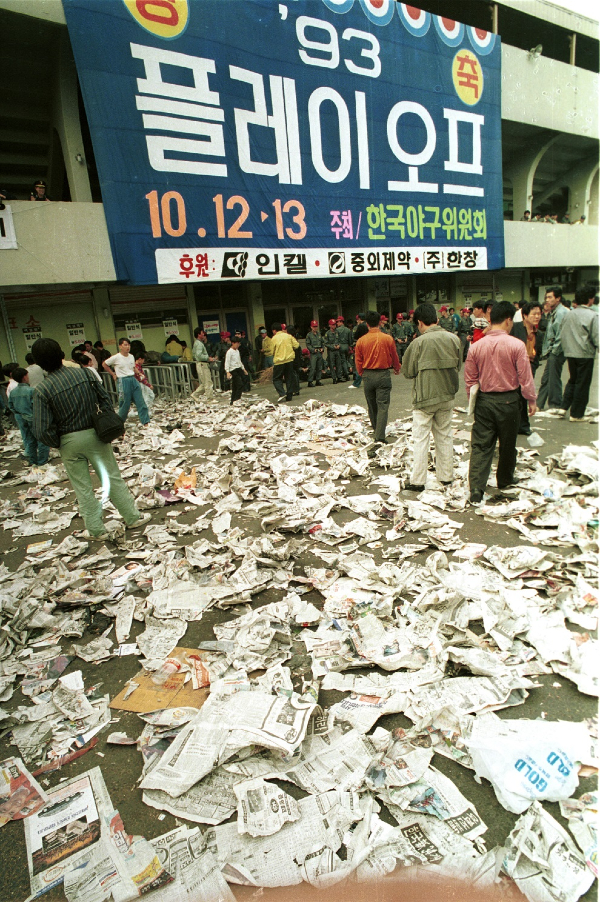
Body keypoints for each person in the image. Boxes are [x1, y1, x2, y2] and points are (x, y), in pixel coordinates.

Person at [31, 338, 150, 540]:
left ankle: (96, 530)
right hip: (95, 434)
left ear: (39, 364)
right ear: (61, 355)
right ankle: (132, 517)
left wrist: (58, 442)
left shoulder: (42, 390)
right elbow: (105, 400)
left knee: (82, 488)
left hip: (68, 441)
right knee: (111, 478)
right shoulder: (85, 374)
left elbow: (41, 429)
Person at [464, 301, 537, 504]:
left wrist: (472, 401)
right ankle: (504, 479)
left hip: (484, 400)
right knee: (507, 443)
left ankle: (476, 487)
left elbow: (470, 379)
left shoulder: (476, 346)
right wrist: (531, 399)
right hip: (509, 400)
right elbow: (525, 377)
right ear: (507, 320)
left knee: (481, 445)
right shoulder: (516, 345)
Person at [401, 303, 462, 491]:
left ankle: (418, 481)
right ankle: (446, 477)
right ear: (436, 319)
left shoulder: (418, 343)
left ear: (420, 322)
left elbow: (408, 372)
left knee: (421, 439)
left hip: (424, 399)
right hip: (447, 396)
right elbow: (458, 366)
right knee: (444, 436)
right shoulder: (454, 339)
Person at [354, 311, 400, 448]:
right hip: (383, 374)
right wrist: (396, 367)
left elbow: (358, 360)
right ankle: (379, 436)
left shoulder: (361, 341)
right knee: (383, 406)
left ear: (366, 324)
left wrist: (362, 373)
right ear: (380, 322)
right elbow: (394, 355)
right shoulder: (387, 338)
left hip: (368, 375)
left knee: (372, 406)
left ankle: (376, 430)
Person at [559, 286, 598, 422]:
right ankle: (576, 414)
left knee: (573, 379)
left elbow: (562, 331)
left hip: (570, 352)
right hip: (585, 353)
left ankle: (563, 407)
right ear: (590, 299)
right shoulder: (593, 315)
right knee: (583, 383)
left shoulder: (568, 314)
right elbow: (596, 336)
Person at [511, 302, 543, 435]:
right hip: (515, 367)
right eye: (534, 314)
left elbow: (538, 353)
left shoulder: (539, 334)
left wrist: (533, 366)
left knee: (524, 395)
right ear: (525, 315)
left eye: (539, 314)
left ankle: (523, 426)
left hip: (529, 367)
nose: (537, 317)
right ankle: (513, 425)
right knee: (515, 396)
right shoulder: (515, 328)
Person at [103, 338, 150, 425]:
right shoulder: (116, 357)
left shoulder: (131, 356)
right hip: (123, 380)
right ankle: (120, 424)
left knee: (141, 402)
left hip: (133, 379)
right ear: (120, 346)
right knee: (125, 404)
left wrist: (139, 373)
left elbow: (133, 367)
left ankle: (145, 422)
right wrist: (113, 374)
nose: (127, 347)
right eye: (125, 345)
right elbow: (104, 364)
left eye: (128, 345)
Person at [8, 368, 50, 466]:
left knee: (30, 440)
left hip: (22, 417)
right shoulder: (32, 391)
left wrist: (20, 412)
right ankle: (42, 461)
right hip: (33, 418)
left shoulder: (13, 392)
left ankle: (33, 460)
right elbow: (38, 405)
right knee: (42, 440)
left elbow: (11, 406)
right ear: (24, 377)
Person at [537, 285, 568, 410]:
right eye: (546, 297)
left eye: (550, 297)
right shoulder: (554, 312)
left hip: (558, 350)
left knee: (553, 378)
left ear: (558, 298)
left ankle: (555, 404)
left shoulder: (561, 313)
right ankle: (539, 404)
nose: (547, 300)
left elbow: (561, 335)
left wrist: (554, 352)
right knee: (547, 377)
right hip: (553, 350)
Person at [270, 323, 298, 403]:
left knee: (276, 379)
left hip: (279, 362)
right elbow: (296, 345)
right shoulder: (288, 336)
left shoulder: (274, 338)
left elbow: (271, 351)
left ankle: (282, 393)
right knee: (289, 378)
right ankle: (289, 396)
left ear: (274, 330)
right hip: (289, 360)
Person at [190, 327, 214, 402]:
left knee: (204, 383)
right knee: (208, 382)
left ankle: (195, 394)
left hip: (200, 364)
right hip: (202, 364)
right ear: (198, 334)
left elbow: (195, 355)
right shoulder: (199, 344)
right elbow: (199, 355)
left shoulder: (197, 343)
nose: (203, 334)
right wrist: (208, 358)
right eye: (202, 333)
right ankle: (210, 399)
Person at [225, 336, 247, 405]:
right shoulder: (229, 352)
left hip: (238, 369)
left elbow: (239, 361)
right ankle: (237, 399)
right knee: (239, 385)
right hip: (233, 370)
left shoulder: (237, 351)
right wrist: (227, 372)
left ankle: (232, 401)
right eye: (236, 343)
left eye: (238, 344)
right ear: (233, 343)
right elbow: (227, 362)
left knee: (235, 386)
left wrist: (243, 369)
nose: (238, 345)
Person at [349, 313, 369, 389]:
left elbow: (355, 336)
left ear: (359, 319)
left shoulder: (361, 326)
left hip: (362, 346)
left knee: (359, 364)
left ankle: (356, 383)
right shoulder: (368, 325)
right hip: (369, 346)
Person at [306, 320, 324, 387]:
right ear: (311, 327)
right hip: (313, 353)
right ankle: (310, 381)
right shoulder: (309, 335)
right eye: (314, 326)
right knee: (313, 367)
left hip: (319, 352)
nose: (315, 328)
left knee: (319, 367)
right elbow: (308, 344)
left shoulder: (319, 334)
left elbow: (322, 342)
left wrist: (322, 348)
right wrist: (313, 350)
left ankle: (318, 380)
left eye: (316, 326)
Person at [335, 316, 352, 381]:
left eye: (337, 322)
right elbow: (350, 340)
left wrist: (336, 345)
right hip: (346, 346)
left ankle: (346, 374)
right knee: (346, 360)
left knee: (343, 361)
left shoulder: (337, 330)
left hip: (341, 346)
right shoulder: (348, 330)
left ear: (341, 322)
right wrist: (349, 346)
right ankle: (346, 372)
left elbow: (336, 339)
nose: (337, 323)